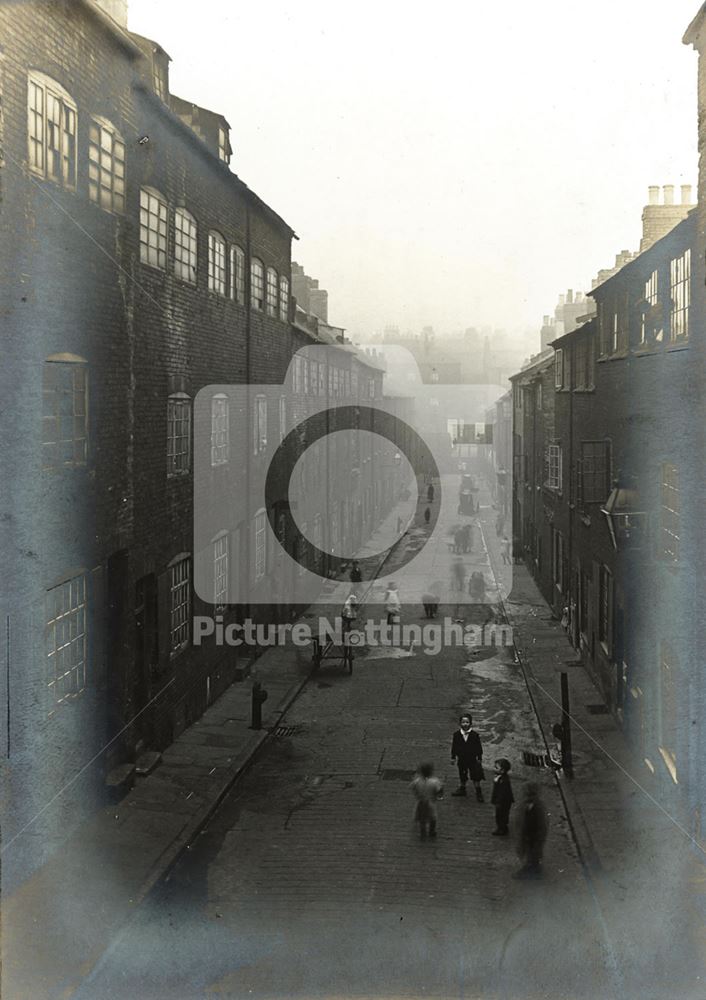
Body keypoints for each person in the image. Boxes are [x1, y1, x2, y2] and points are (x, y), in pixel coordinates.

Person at [514, 783, 548, 878]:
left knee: (531, 854)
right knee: (531, 854)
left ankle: (529, 870)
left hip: (533, 837)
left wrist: (537, 838)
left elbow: (542, 825)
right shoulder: (528, 806)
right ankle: (535, 868)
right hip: (528, 836)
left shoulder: (538, 807)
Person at [450, 713, 485, 801]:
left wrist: (479, 757)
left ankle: (478, 792)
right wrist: (453, 757)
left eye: (467, 722)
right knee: (462, 774)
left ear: (470, 723)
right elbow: (454, 746)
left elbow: (478, 747)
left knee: (475, 775)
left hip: (472, 759)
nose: (465, 724)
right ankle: (462, 788)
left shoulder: (474, 735)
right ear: (460, 723)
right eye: (463, 722)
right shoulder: (457, 735)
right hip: (462, 759)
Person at [411, 762, 444, 839]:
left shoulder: (418, 781)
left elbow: (413, 787)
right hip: (430, 802)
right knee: (433, 817)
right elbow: (439, 789)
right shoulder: (434, 781)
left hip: (421, 801)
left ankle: (423, 832)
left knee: (422, 818)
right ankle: (431, 831)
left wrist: (417, 794)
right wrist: (439, 795)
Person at [491, 759, 514, 836]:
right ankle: (502, 827)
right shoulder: (500, 778)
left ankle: (502, 828)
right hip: (502, 800)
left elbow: (502, 793)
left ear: (502, 770)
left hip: (503, 801)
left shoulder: (503, 780)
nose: (494, 768)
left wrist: (498, 801)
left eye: (496, 767)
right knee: (501, 814)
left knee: (501, 815)